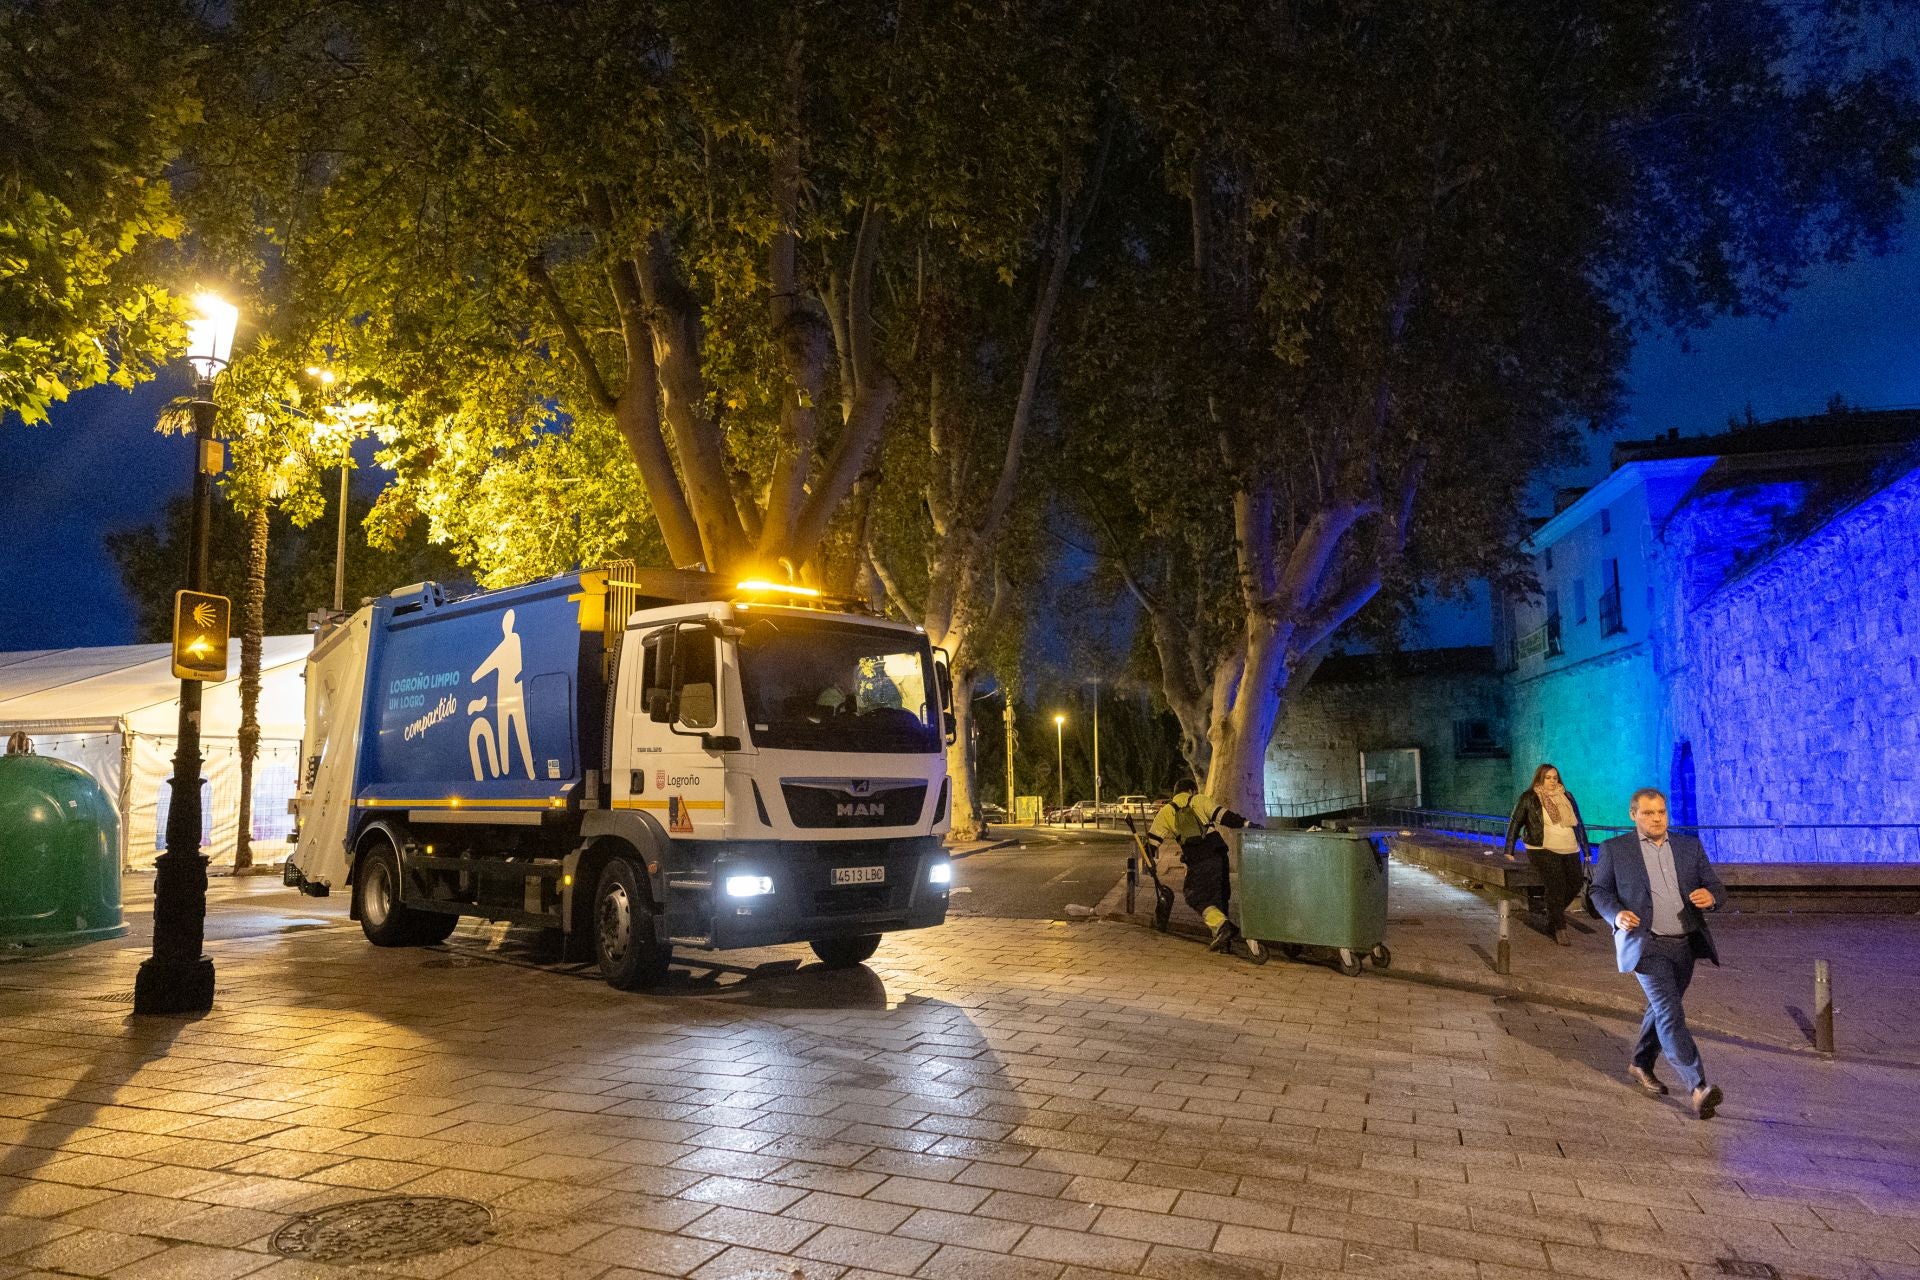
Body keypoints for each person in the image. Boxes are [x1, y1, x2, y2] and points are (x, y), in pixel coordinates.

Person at [1588, 787, 1727, 1120]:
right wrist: (1616, 914)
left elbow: (1717, 886)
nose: (1656, 819)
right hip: (1645, 944)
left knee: (1663, 1008)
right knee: (1669, 1011)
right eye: (1648, 813)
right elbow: (1597, 891)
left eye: (1661, 812)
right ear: (1633, 814)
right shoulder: (1615, 850)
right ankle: (1698, 1086)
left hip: (1684, 944)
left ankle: (1640, 1063)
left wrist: (1711, 896)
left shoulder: (1688, 846)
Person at [1148, 781, 1263, 962]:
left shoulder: (1166, 812)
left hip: (1197, 858)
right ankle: (1224, 943)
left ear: (1175, 793)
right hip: (1218, 853)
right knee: (1220, 895)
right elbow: (1224, 817)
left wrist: (1148, 862)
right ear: (1192, 790)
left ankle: (1222, 927)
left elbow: (1152, 843)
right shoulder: (1199, 800)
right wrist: (1248, 824)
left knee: (1194, 895)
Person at [1503, 763, 1593, 945]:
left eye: (1555, 778)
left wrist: (1586, 849)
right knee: (1556, 884)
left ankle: (1553, 914)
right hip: (1542, 848)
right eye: (1548, 778)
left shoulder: (1566, 796)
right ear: (1540, 778)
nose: (1552, 781)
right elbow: (1516, 821)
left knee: (1575, 883)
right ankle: (1560, 928)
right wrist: (1509, 848)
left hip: (1569, 847)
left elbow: (1578, 823)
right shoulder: (1529, 797)